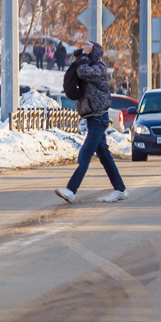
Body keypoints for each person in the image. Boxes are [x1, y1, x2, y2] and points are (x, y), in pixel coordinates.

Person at [56, 41, 127, 203]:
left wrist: (85, 55)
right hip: (92, 117)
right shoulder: (87, 65)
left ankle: (71, 190)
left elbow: (82, 72)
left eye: (87, 51)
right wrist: (82, 56)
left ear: (93, 53)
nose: (82, 54)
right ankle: (120, 189)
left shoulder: (99, 67)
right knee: (104, 156)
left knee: (86, 153)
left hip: (99, 117)